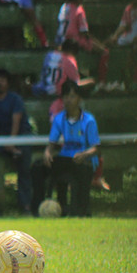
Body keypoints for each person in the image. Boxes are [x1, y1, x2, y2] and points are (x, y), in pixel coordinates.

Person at [30, 81, 100, 216]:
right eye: (66, 96)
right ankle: (37, 209)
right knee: (38, 167)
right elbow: (52, 143)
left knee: (82, 170)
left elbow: (96, 148)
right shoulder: (59, 119)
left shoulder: (89, 120)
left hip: (83, 160)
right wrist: (47, 153)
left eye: (72, 96)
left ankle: (81, 210)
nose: (69, 100)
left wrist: (84, 155)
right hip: (66, 158)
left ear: (79, 99)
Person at [0, 68, 32, 213]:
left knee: (25, 168)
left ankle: (26, 206)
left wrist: (12, 142)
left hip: (19, 139)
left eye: (2, 80)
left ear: (8, 83)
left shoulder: (15, 99)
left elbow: (16, 121)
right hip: (0, 141)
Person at [55, 0, 110, 83]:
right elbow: (84, 32)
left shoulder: (63, 7)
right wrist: (99, 44)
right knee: (105, 52)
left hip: (61, 41)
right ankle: (102, 81)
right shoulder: (79, 10)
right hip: (74, 41)